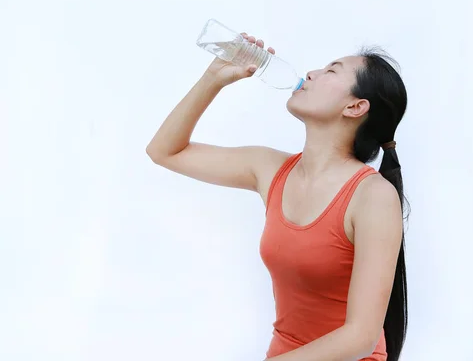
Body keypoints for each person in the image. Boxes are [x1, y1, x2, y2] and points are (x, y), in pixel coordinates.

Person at [146, 32, 409, 361]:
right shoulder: (270, 169)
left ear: (355, 107)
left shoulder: (373, 197)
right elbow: (164, 151)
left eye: (331, 71)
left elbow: (360, 338)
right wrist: (214, 78)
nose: (312, 73)